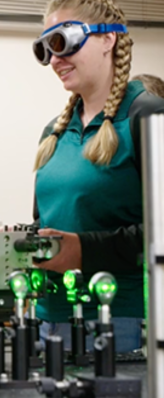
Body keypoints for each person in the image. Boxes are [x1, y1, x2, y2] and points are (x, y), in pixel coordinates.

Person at [31, 0, 164, 352]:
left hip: (122, 320)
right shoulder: (53, 133)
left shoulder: (147, 114)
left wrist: (83, 251)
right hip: (52, 317)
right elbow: (46, 222)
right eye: (45, 49)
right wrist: (22, 242)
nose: (55, 59)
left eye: (62, 41)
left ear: (108, 40)